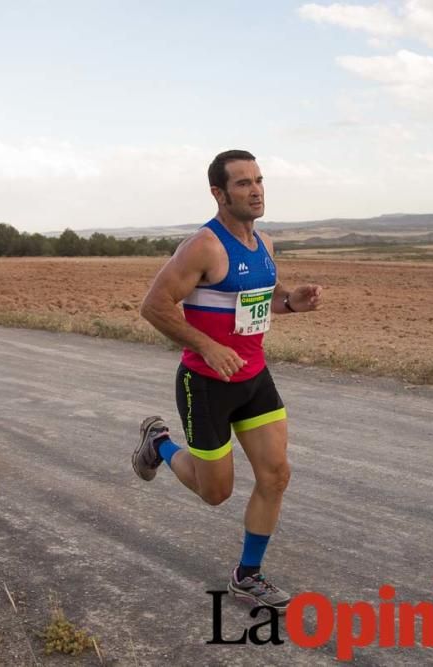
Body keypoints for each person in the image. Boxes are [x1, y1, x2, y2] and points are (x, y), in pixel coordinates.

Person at [132, 149, 322, 612]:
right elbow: (153, 306)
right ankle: (158, 443)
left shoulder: (265, 244)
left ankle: (247, 575)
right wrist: (207, 347)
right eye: (242, 183)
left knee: (276, 475)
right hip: (206, 385)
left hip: (255, 379)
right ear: (218, 193)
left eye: (258, 180)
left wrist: (291, 301)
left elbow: (257, 301)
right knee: (214, 493)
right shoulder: (204, 246)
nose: (255, 189)